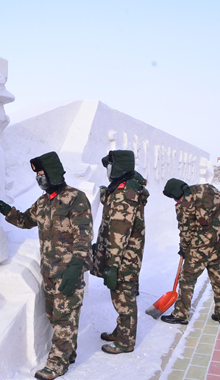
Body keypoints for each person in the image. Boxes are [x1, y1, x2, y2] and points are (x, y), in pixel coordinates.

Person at [0, 151, 93, 380]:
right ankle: (69, 352)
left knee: (63, 319)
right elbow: (23, 220)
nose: (39, 178)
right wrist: (0, 206)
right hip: (49, 272)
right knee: (54, 316)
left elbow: (84, 237)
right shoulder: (42, 202)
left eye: (42, 173)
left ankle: (57, 364)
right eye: (37, 174)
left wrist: (75, 268)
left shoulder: (75, 198)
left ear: (54, 173)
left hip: (69, 272)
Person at [91, 150, 149, 354]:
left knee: (124, 299)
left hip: (123, 258)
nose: (107, 170)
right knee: (122, 297)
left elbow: (119, 234)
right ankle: (121, 331)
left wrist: (113, 267)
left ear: (118, 168)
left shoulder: (125, 194)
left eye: (110, 166)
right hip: (125, 255)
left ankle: (125, 342)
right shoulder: (123, 189)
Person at [160, 178, 220, 325]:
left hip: (200, 249)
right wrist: (211, 217)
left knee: (187, 279)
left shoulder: (183, 204)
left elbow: (186, 231)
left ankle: (181, 314)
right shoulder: (208, 188)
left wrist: (184, 249)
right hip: (219, 243)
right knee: (219, 279)